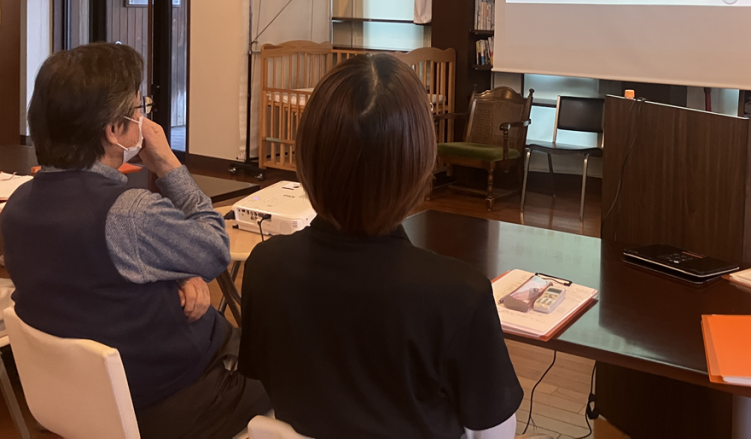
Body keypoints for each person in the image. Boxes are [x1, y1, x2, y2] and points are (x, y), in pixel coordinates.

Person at [239, 53, 523, 439]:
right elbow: (493, 430)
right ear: (419, 161)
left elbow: (265, 382)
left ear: (307, 154)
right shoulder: (459, 295)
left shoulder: (264, 267)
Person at [2, 43, 270, 439]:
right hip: (172, 402)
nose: (144, 119)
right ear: (114, 130)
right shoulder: (130, 213)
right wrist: (169, 165)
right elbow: (215, 249)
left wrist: (178, 273)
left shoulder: (18, 206)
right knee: (296, 369)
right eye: (138, 108)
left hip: (77, 402)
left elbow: (93, 276)